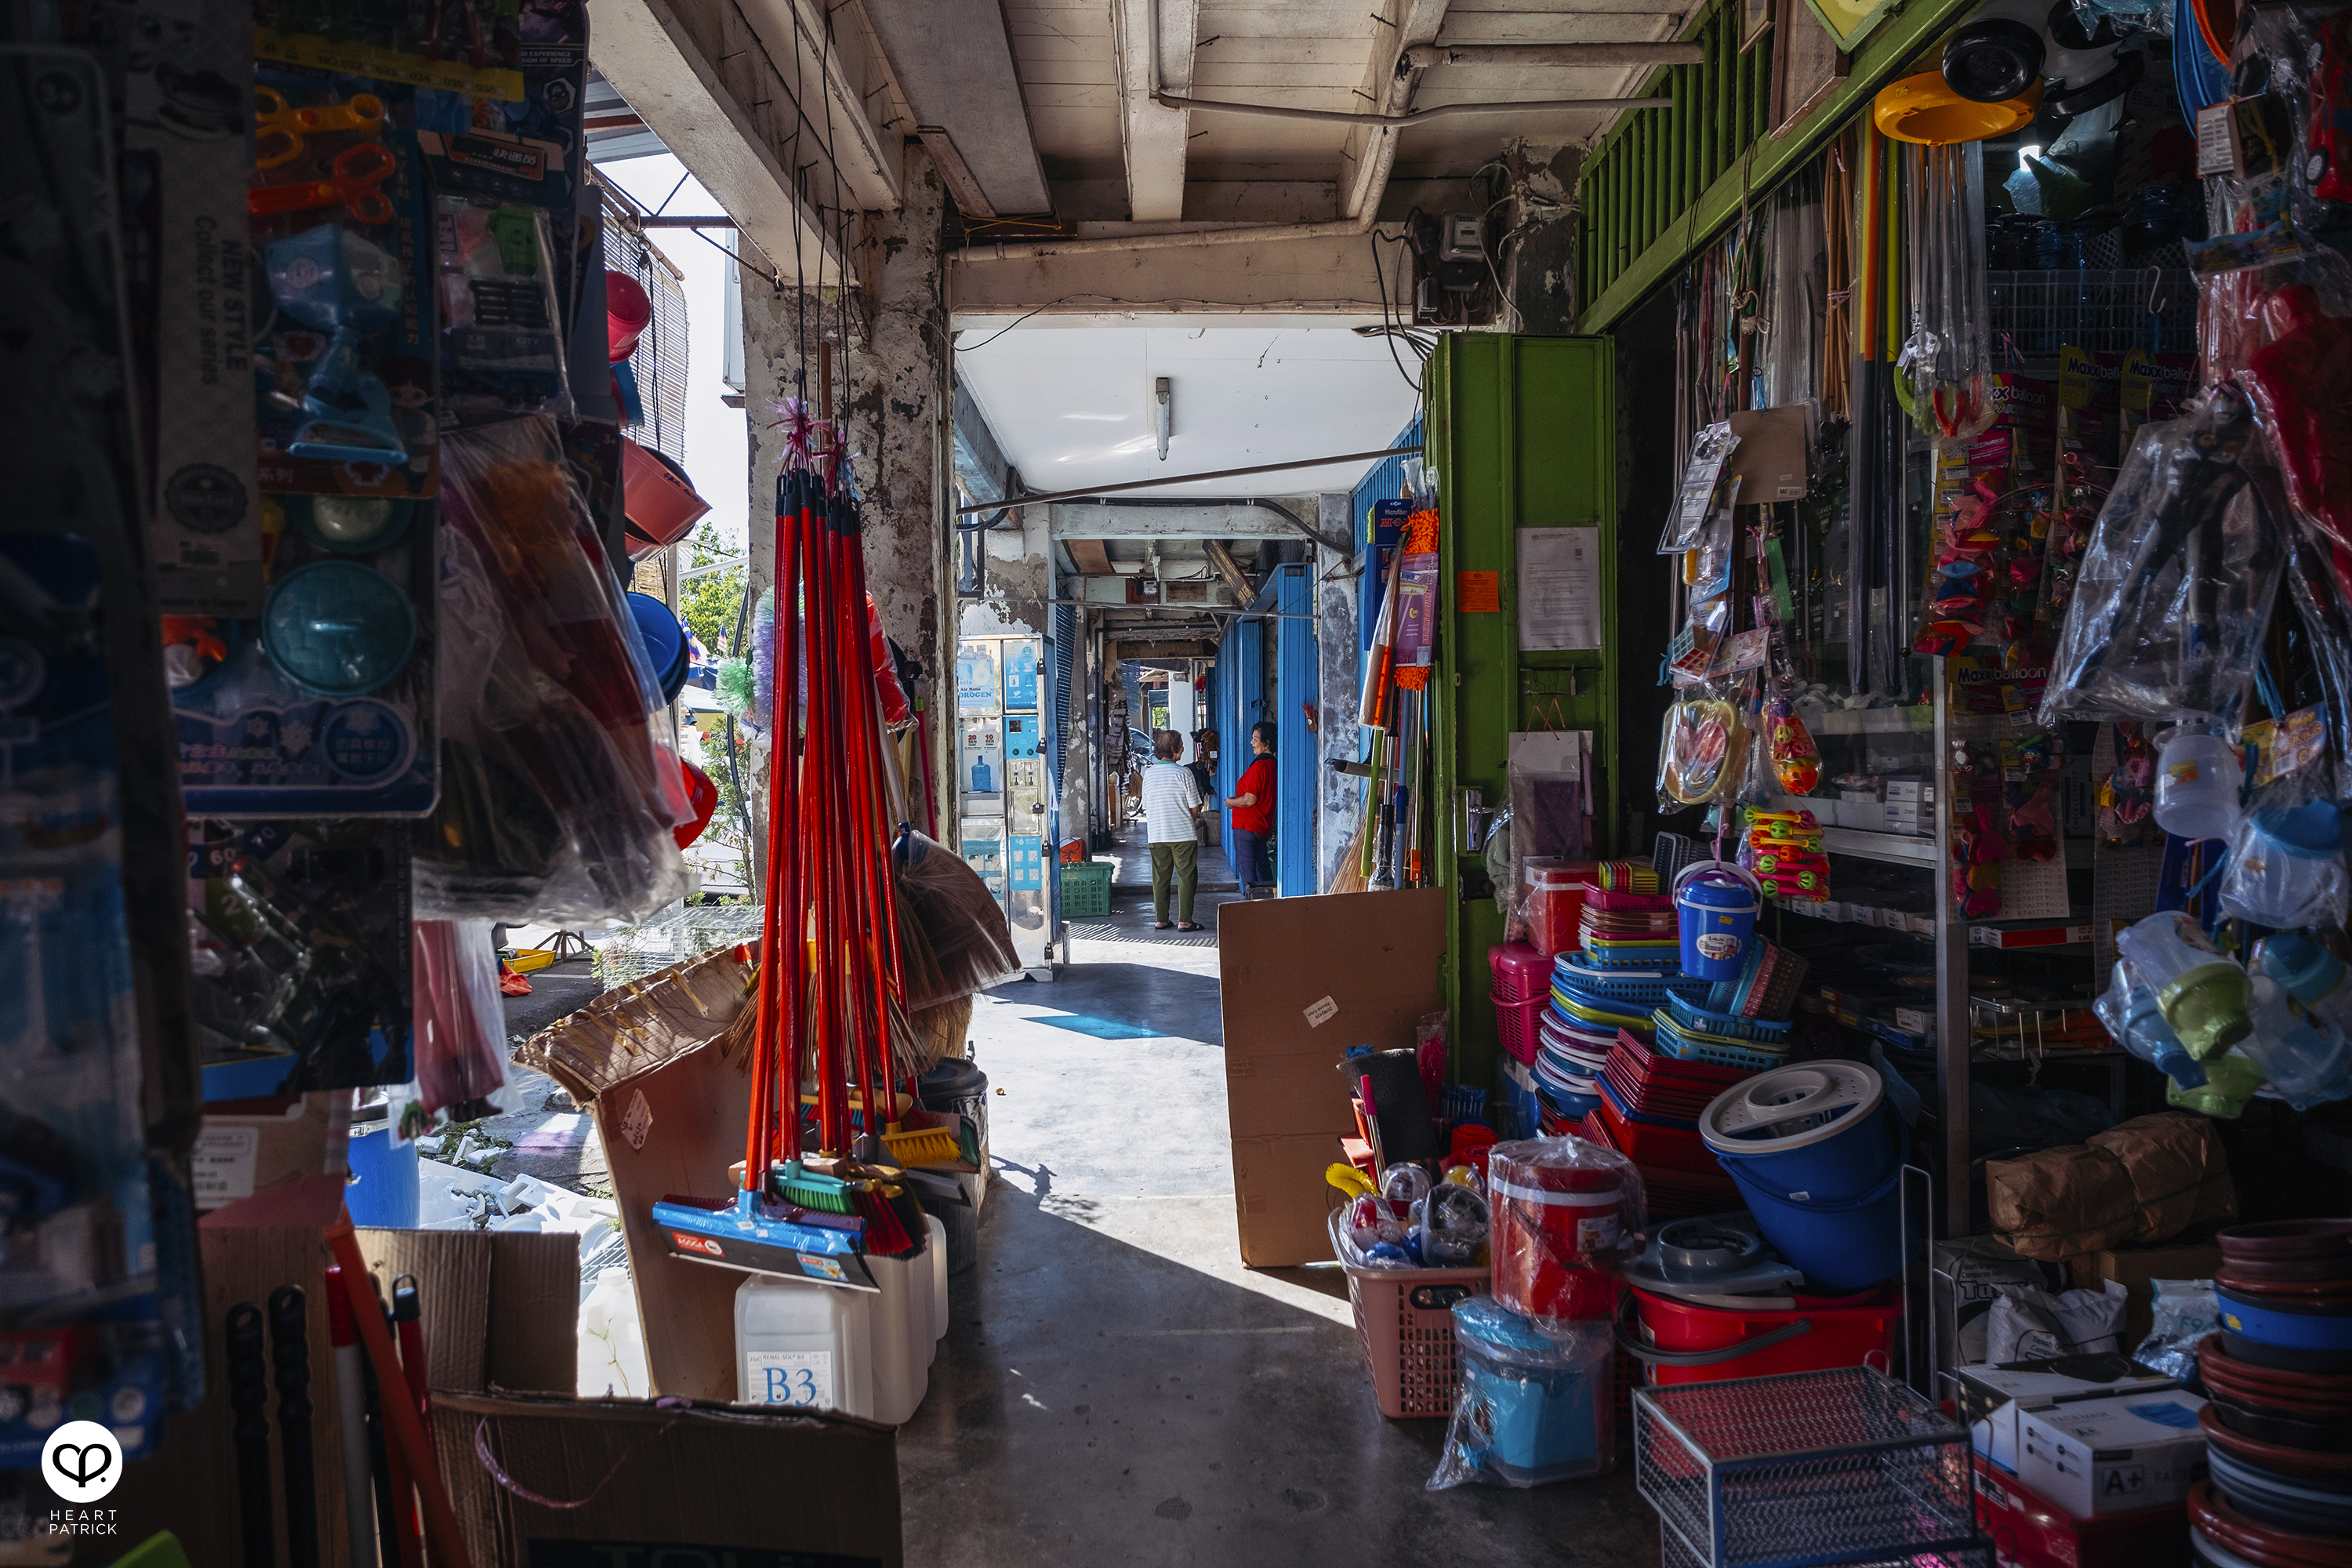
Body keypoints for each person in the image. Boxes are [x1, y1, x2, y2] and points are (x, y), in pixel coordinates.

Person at [1141, 728, 1204, 931]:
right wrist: (1186, 820)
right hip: (1183, 835)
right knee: (1186, 876)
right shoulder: (1184, 773)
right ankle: (1185, 921)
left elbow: (1146, 806)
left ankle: (1161, 919)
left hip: (1157, 835)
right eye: (1181, 745)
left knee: (1160, 877)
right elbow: (1195, 807)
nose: (1184, 748)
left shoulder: (1148, 774)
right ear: (1174, 749)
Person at [1225, 720, 1278, 897]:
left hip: (1247, 825)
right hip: (1262, 826)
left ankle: (1253, 910)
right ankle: (1270, 907)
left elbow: (1250, 800)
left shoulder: (1259, 767)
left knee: (1248, 873)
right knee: (1263, 871)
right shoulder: (1274, 765)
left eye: (1255, 739)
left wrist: (1230, 802)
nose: (1251, 742)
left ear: (1267, 743)